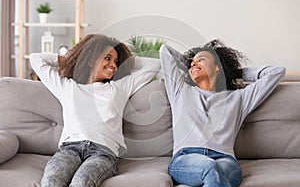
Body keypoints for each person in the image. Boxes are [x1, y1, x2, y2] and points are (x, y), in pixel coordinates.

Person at [30, 34, 160, 187]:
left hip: (103, 152)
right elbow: (36, 59)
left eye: (116, 61)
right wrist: (77, 60)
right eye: (107, 58)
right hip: (69, 149)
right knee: (51, 182)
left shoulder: (119, 88)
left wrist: (127, 62)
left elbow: (156, 65)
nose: (113, 65)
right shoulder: (67, 87)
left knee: (81, 183)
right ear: (91, 59)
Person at [159, 39, 286, 187]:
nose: (193, 63)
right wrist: (190, 63)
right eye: (192, 62)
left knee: (215, 168)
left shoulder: (239, 98)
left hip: (225, 160)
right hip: (186, 158)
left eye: (201, 59)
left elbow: (277, 72)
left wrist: (234, 71)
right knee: (210, 167)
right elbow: (165, 51)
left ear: (218, 67)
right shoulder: (180, 91)